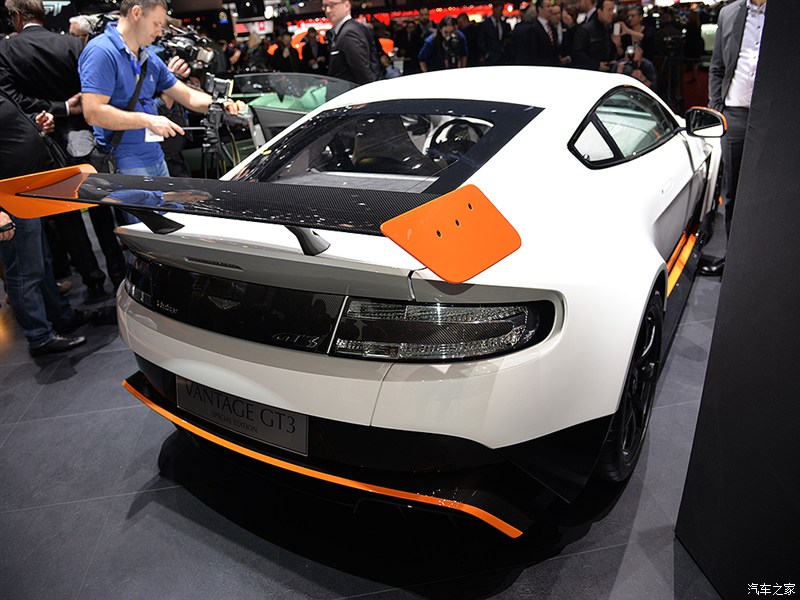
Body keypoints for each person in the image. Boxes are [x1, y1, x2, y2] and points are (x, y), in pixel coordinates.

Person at [0, 0, 126, 298]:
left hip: (45, 141)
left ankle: (93, 283)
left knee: (66, 218)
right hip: (86, 137)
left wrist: (57, 109)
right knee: (101, 208)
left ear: (16, 17)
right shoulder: (73, 44)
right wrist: (70, 107)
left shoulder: (7, 50)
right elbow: (92, 88)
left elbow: (13, 99)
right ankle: (119, 273)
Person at [78, 0, 240, 184]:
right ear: (136, 13)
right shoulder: (101, 51)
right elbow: (93, 113)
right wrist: (148, 120)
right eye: (156, 24)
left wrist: (220, 104)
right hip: (124, 162)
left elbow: (187, 95)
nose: (160, 32)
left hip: (156, 157)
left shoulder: (148, 57)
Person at [0, 93, 89, 357]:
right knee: (24, 272)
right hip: (8, 199)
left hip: (23, 191)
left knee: (40, 263)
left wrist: (33, 122)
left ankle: (61, 316)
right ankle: (40, 337)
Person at [701, 0, 767, 277]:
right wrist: (718, 108)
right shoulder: (728, 14)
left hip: (770, 116)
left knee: (767, 191)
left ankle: (764, 260)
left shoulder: (786, 14)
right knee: (733, 194)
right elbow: (717, 67)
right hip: (735, 115)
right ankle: (734, 259)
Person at [323, 0, 381, 85]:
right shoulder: (345, 30)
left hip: (351, 91)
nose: (328, 10)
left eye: (332, 5)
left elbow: (363, 75)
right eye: (325, 6)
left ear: (347, 5)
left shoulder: (349, 32)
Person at [571, 0, 616, 72]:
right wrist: (596, 65)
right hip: (589, 71)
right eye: (609, 10)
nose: (612, 13)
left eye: (613, 10)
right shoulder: (585, 30)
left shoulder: (610, 29)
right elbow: (577, 53)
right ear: (599, 11)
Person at [478, 1, 511, 66]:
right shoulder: (485, 24)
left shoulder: (503, 24)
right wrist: (486, 54)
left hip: (502, 57)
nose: (501, 13)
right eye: (500, 10)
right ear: (494, 9)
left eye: (502, 10)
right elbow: (480, 40)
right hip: (490, 58)